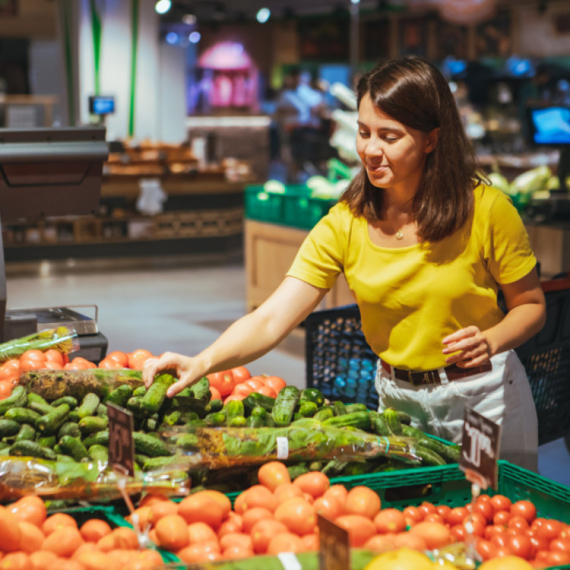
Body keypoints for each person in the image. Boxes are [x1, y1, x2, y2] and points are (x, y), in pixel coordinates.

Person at [144, 57, 546, 472]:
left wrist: (492, 340)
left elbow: (531, 306)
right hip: (398, 404)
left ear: (431, 139)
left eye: (390, 136)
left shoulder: (486, 210)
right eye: (364, 131)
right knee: (419, 520)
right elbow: (270, 319)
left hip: (480, 401)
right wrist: (202, 362)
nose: (371, 150)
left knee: (490, 517)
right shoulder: (345, 222)